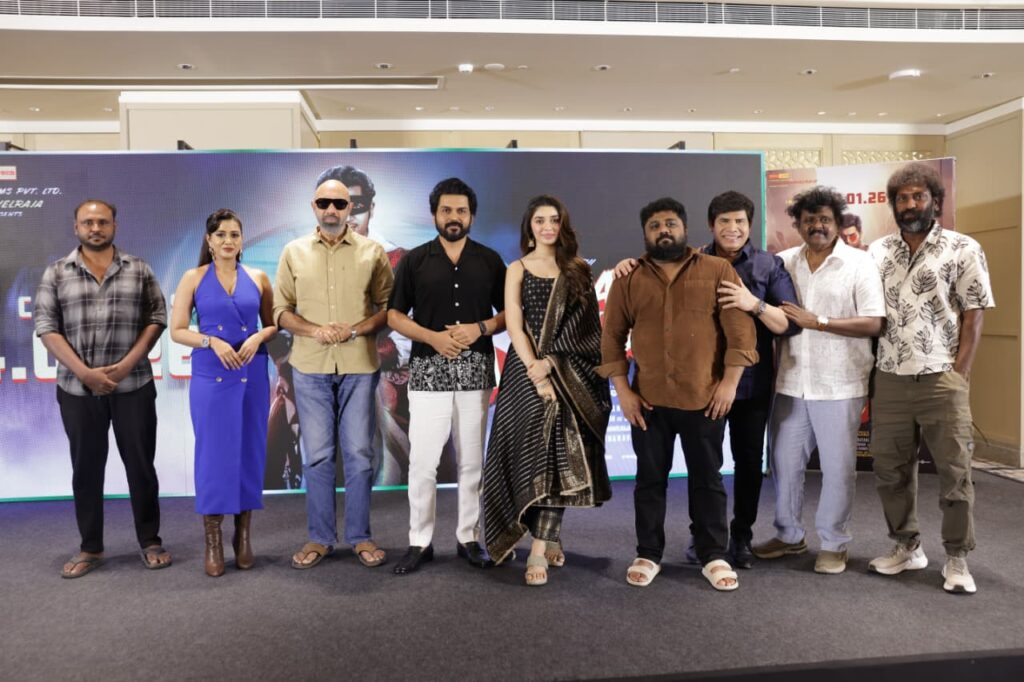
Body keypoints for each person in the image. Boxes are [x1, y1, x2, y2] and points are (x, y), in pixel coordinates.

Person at [614, 190, 800, 568]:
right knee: (699, 470)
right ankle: (701, 540)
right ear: (710, 225)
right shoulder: (688, 262)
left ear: (750, 225)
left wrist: (754, 304)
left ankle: (739, 537)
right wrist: (630, 265)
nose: (732, 228)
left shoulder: (767, 265)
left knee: (746, 464)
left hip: (747, 385)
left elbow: (790, 323)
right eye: (724, 221)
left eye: (740, 222)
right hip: (696, 388)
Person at [599, 197, 758, 590]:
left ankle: (713, 555)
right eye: (655, 226)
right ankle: (648, 553)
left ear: (685, 228)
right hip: (647, 401)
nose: (663, 231)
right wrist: (624, 393)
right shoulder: (628, 278)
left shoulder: (717, 270)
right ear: (645, 233)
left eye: (670, 223)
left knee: (708, 480)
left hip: (704, 398)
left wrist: (729, 385)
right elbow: (611, 339)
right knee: (649, 481)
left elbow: (740, 333)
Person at [867, 162, 994, 594]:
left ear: (935, 201)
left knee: (955, 472)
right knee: (890, 471)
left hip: (942, 377)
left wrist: (960, 374)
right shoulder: (877, 252)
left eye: (918, 196)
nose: (910, 204)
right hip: (889, 378)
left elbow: (974, 314)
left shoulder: (963, 248)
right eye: (902, 198)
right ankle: (907, 547)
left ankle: (957, 558)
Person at [751, 186, 884, 575]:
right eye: (809, 220)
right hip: (791, 383)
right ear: (797, 224)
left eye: (824, 219)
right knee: (784, 464)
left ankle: (834, 543)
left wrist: (818, 321)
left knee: (838, 470)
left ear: (838, 223)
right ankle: (789, 535)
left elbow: (874, 322)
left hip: (840, 384)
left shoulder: (859, 264)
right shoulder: (783, 262)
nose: (817, 226)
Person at [34, 198, 170, 578]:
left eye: (103, 222)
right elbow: (46, 327)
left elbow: (157, 317)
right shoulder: (56, 273)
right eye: (88, 222)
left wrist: (125, 366)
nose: (96, 228)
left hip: (134, 386)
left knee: (141, 467)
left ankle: (150, 541)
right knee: (86, 470)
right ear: (76, 227)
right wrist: (85, 373)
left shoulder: (138, 269)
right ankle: (90, 547)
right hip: (78, 391)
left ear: (114, 226)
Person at [482, 195, 612, 586]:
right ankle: (547, 534)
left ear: (563, 224)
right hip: (524, 374)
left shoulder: (577, 270)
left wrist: (552, 364)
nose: (548, 227)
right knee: (528, 456)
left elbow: (587, 332)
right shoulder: (517, 268)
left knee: (558, 456)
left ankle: (540, 546)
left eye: (554, 220)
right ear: (530, 227)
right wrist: (536, 371)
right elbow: (515, 324)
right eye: (540, 220)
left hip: (571, 373)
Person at [387, 177, 507, 575]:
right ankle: (419, 542)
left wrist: (480, 328)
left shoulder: (489, 260)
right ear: (434, 214)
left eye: (461, 211)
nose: (454, 217)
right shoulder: (415, 261)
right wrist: (432, 338)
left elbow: (510, 313)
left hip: (476, 371)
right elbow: (394, 315)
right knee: (423, 462)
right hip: (428, 370)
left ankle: (468, 538)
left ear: (471, 215)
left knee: (471, 462)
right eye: (446, 210)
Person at [274, 176, 394, 570]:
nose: (331, 210)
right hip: (310, 367)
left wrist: (354, 330)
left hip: (359, 366)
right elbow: (280, 311)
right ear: (313, 206)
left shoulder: (372, 252)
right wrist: (314, 331)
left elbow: (388, 309)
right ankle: (320, 538)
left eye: (340, 204)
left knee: (359, 454)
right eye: (324, 203)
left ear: (350, 209)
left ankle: (360, 537)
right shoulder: (293, 252)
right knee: (318, 457)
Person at [170, 209, 276, 577]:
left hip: (252, 372)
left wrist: (258, 337)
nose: (228, 240)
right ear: (209, 241)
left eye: (234, 234)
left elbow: (273, 324)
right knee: (213, 454)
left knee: (250, 450)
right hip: (211, 373)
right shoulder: (193, 277)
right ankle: (213, 539)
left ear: (242, 240)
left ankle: (242, 535)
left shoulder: (259, 277)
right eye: (221, 235)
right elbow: (177, 330)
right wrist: (210, 341)